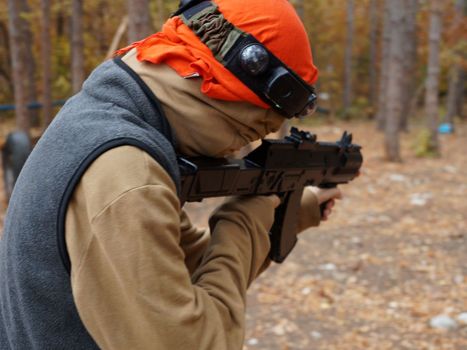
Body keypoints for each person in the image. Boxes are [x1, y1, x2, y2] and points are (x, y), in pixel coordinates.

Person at [0, 0, 342, 348]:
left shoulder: (100, 118)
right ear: (228, 98)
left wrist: (292, 211)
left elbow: (184, 266)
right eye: (249, 132)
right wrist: (245, 220)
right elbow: (195, 341)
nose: (241, 147)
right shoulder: (129, 175)